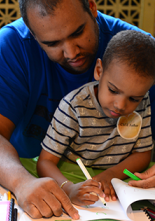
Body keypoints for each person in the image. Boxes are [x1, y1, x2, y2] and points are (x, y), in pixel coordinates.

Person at [0, 0, 155, 220]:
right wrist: (22, 182)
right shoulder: (12, 46)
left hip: (117, 192)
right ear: (32, 34)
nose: (71, 52)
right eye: (52, 43)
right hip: (34, 178)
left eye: (78, 33)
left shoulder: (139, 53)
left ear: (91, 6)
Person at [37, 30, 155, 206]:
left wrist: (111, 174)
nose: (120, 105)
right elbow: (45, 162)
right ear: (99, 71)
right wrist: (68, 189)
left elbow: (143, 154)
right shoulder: (73, 106)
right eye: (113, 90)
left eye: (133, 99)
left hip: (117, 181)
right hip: (70, 178)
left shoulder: (142, 102)